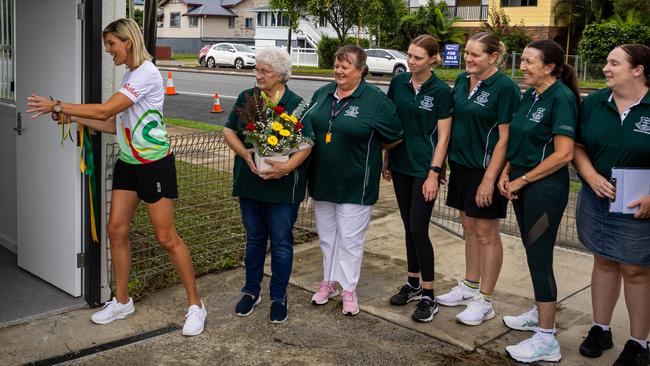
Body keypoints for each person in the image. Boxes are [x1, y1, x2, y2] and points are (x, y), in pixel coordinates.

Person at [26, 18, 206, 336]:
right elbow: (115, 124)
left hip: (154, 164)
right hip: (128, 162)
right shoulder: (130, 74)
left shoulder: (147, 73)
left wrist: (58, 103)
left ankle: (196, 305)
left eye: (111, 44)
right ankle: (122, 301)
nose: (108, 50)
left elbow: (107, 111)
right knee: (115, 230)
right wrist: (69, 115)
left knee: (166, 237)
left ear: (128, 42)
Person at [302, 45, 402, 316]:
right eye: (336, 65)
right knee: (328, 237)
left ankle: (348, 289)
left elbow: (394, 136)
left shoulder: (375, 100)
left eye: (345, 66)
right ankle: (329, 282)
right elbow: (306, 123)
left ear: (361, 70)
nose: (339, 70)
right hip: (323, 179)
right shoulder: (322, 93)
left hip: (356, 182)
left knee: (350, 239)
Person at [497, 39, 579, 363]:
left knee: (540, 257)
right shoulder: (530, 95)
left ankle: (547, 340)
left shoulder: (562, 98)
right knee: (534, 253)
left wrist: (522, 178)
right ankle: (539, 312)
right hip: (521, 183)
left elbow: (565, 154)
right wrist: (506, 171)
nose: (523, 66)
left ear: (549, 67)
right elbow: (517, 137)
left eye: (530, 61)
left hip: (544, 190)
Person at [573, 44, 650, 366]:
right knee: (603, 261)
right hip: (597, 198)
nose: (605, 68)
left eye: (614, 63)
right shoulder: (593, 103)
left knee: (635, 271)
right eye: (606, 62)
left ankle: (639, 344)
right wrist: (589, 175)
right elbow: (576, 147)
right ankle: (600, 329)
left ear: (638, 70)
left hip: (638, 204)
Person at [436, 32, 521, 326]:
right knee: (469, 227)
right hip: (460, 166)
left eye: (475, 54)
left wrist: (489, 179)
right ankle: (470, 286)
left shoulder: (505, 88)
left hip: (485, 171)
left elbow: (505, 139)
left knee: (487, 234)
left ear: (493, 56)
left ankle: (485, 300)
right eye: (466, 53)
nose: (468, 59)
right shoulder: (462, 80)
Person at [223, 48, 312, 324]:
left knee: (282, 243)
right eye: (257, 70)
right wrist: (245, 153)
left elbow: (308, 143)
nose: (258, 75)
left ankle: (278, 296)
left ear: (282, 75)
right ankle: (251, 292)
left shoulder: (298, 103)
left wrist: (287, 166)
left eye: (265, 71)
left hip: (283, 188)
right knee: (254, 240)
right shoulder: (246, 98)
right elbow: (228, 130)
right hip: (250, 182)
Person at [382, 35, 452, 322]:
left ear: (433, 59)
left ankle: (429, 295)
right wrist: (387, 158)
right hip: (400, 165)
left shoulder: (441, 91)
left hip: (425, 170)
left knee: (418, 228)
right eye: (409, 55)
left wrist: (434, 173)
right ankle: (412, 283)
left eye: (418, 57)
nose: (411, 61)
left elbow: (444, 135)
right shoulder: (399, 82)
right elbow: (391, 123)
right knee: (408, 227)